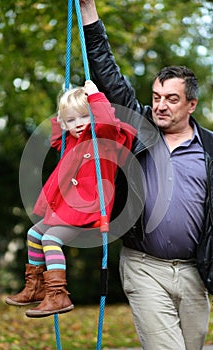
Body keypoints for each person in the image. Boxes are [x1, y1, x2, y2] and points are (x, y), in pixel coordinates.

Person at [80, 1, 213, 350]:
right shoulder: (137, 127)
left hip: (194, 273)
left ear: (191, 104)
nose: (160, 105)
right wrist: (87, 9)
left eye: (171, 99)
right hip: (143, 265)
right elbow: (105, 69)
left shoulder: (211, 149)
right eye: (156, 97)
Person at [5, 79, 136, 318]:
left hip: (86, 207)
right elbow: (57, 140)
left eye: (83, 117)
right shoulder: (72, 141)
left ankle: (58, 295)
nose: (78, 125)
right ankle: (36, 287)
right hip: (67, 208)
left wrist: (95, 96)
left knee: (51, 238)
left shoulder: (104, 140)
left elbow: (106, 122)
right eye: (71, 120)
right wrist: (62, 112)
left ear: (94, 116)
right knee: (34, 233)